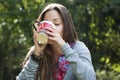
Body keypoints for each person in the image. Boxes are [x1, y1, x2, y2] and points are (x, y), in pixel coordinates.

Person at [16, 3, 96, 80]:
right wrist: (36, 55)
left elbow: (90, 78)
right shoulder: (37, 52)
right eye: (46, 24)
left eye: (56, 24)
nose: (50, 29)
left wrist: (64, 46)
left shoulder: (79, 48)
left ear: (67, 28)